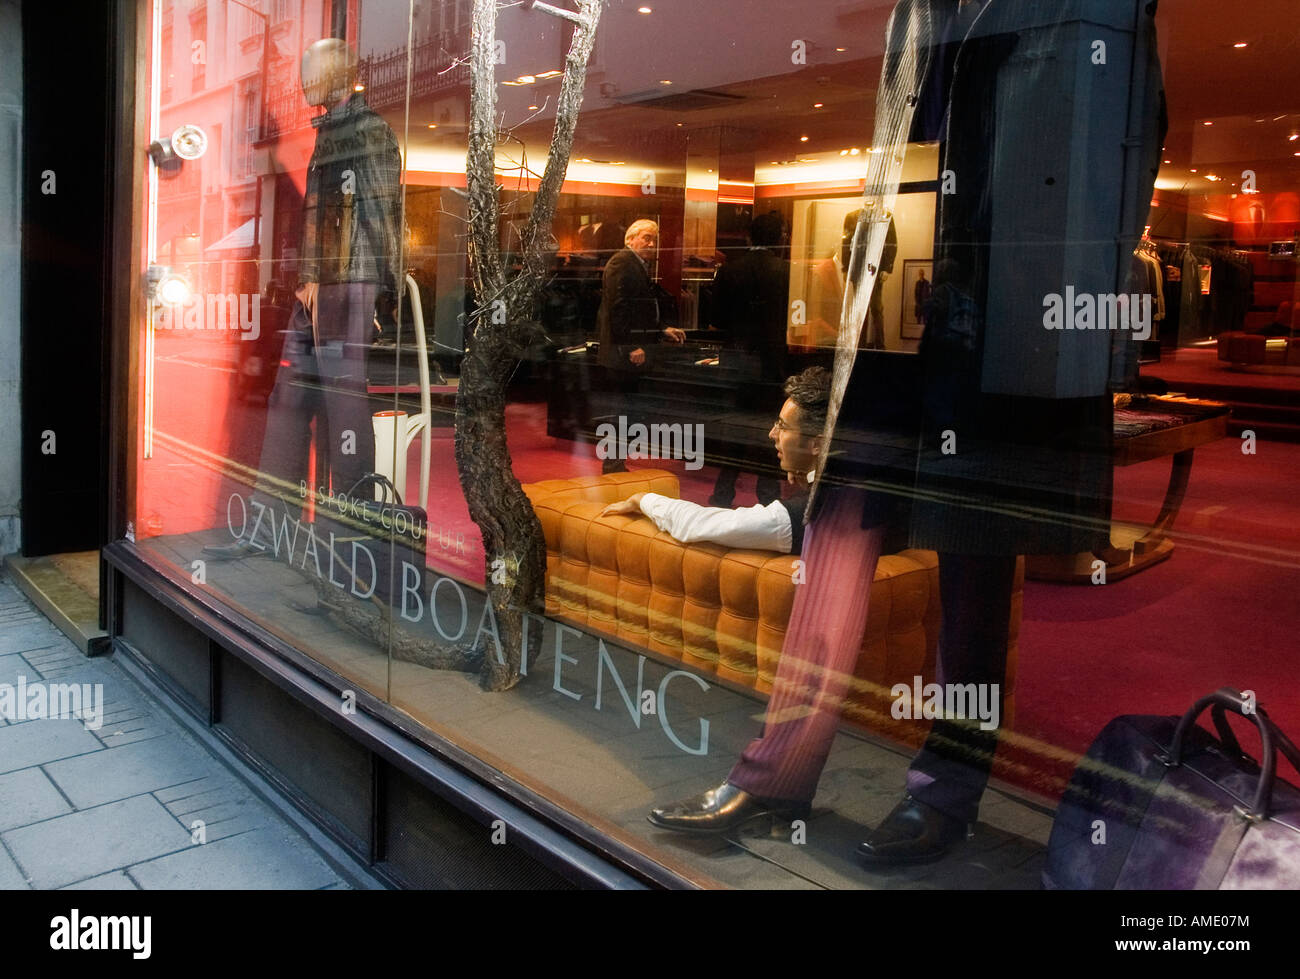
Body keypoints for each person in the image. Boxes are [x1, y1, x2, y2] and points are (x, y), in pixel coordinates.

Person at [638, 367, 896, 835]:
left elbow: (710, 526)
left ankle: (771, 788)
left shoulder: (804, 512)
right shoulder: (824, 497)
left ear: (819, 442)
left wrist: (646, 501)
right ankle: (777, 793)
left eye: (783, 426)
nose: (771, 435)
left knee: (818, 649)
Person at [206, 37, 402, 557]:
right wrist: (308, 277)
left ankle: (354, 533)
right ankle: (273, 527)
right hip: (320, 285)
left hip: (345, 284)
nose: (302, 83)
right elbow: (326, 214)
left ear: (339, 74)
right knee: (290, 398)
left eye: (312, 73)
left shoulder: (368, 130)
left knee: (344, 402)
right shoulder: (333, 129)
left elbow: (379, 213)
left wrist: (379, 291)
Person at [706, 210, 788, 508]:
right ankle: (769, 496)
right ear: (780, 238)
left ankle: (723, 493)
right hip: (771, 362)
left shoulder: (730, 271)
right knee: (769, 429)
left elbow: (715, 321)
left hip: (736, 361)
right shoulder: (786, 271)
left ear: (748, 237)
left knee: (734, 430)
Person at [594, 219, 685, 472]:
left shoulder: (633, 264)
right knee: (624, 410)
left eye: (654, 239)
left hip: (627, 351)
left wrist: (661, 329)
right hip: (624, 353)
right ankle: (613, 464)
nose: (652, 244)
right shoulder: (623, 263)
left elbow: (637, 311)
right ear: (630, 239)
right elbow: (619, 309)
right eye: (646, 238)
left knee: (627, 410)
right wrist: (632, 346)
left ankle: (615, 462)